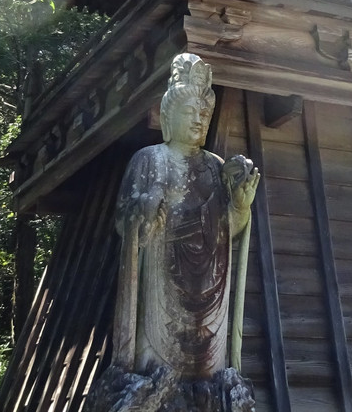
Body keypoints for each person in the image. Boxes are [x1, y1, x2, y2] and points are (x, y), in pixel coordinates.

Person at [111, 53, 259, 379]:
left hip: (210, 289)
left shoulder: (217, 167)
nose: (199, 120)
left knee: (210, 379)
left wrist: (239, 205)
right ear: (168, 116)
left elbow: (226, 230)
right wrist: (146, 211)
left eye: (205, 114)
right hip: (161, 284)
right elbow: (125, 222)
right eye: (190, 111)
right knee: (154, 372)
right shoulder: (148, 160)